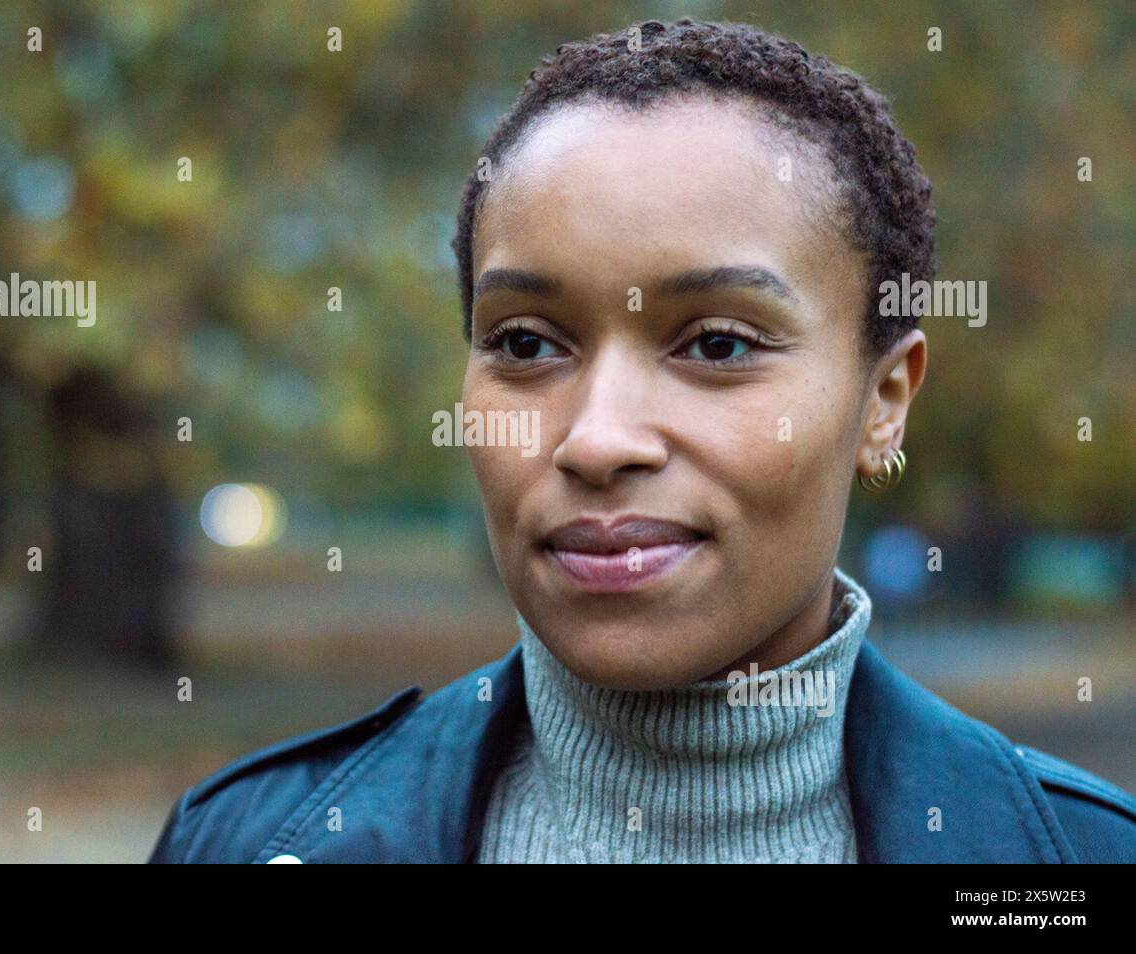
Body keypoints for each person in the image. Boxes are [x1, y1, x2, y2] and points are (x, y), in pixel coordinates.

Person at [148, 18, 1136, 863]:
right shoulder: (245, 842)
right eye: (526, 343)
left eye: (716, 344)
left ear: (882, 402)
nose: (597, 438)